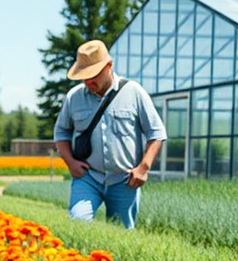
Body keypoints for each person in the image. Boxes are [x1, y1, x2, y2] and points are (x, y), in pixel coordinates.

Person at [54, 39, 166, 228]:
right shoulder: (74, 97)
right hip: (88, 177)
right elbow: (61, 132)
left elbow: (156, 133)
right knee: (78, 223)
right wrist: (70, 162)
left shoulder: (134, 92)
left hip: (124, 180)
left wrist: (143, 168)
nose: (88, 82)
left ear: (109, 66)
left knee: (121, 234)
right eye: (84, 77)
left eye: (93, 75)